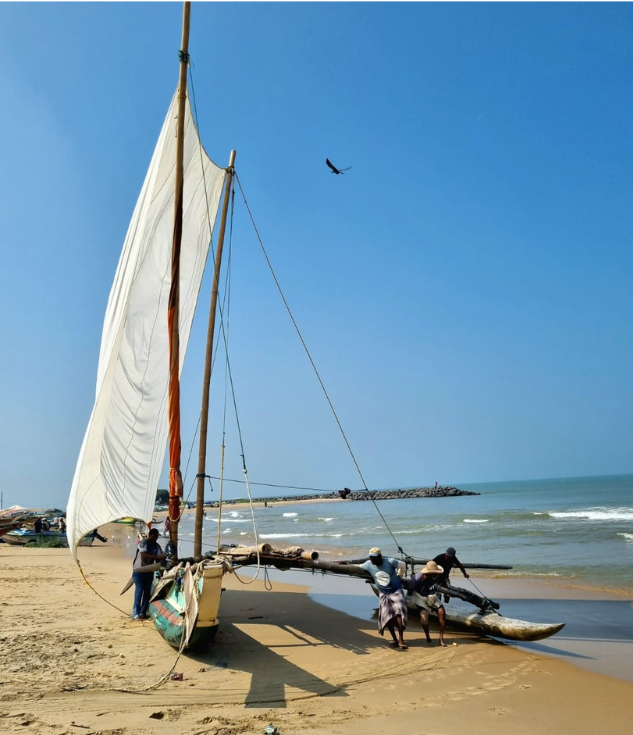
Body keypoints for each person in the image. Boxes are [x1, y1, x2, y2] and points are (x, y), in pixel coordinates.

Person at [361, 547, 408, 650]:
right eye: (371, 558)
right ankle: (394, 639)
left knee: (399, 613)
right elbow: (357, 567)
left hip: (396, 590)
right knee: (387, 616)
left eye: (374, 558)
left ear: (380, 557)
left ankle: (401, 639)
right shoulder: (368, 564)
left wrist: (400, 574)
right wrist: (342, 564)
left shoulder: (390, 561)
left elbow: (403, 565)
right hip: (384, 593)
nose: (372, 560)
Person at [408, 559, 447, 646]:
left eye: (436, 573)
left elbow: (444, 581)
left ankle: (441, 638)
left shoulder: (439, 575)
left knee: (442, 612)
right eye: (433, 574)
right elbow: (409, 587)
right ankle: (428, 636)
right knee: (424, 617)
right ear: (427, 573)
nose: (436, 575)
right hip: (420, 596)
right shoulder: (418, 578)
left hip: (432, 595)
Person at [132, 528, 166, 620]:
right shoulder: (143, 543)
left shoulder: (157, 546)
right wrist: (157, 556)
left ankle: (142, 613)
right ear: (150, 535)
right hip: (139, 571)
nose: (155, 538)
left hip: (149, 571)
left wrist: (162, 557)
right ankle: (135, 614)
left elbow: (159, 558)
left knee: (147, 593)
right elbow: (144, 555)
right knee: (139, 591)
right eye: (154, 536)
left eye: (157, 536)